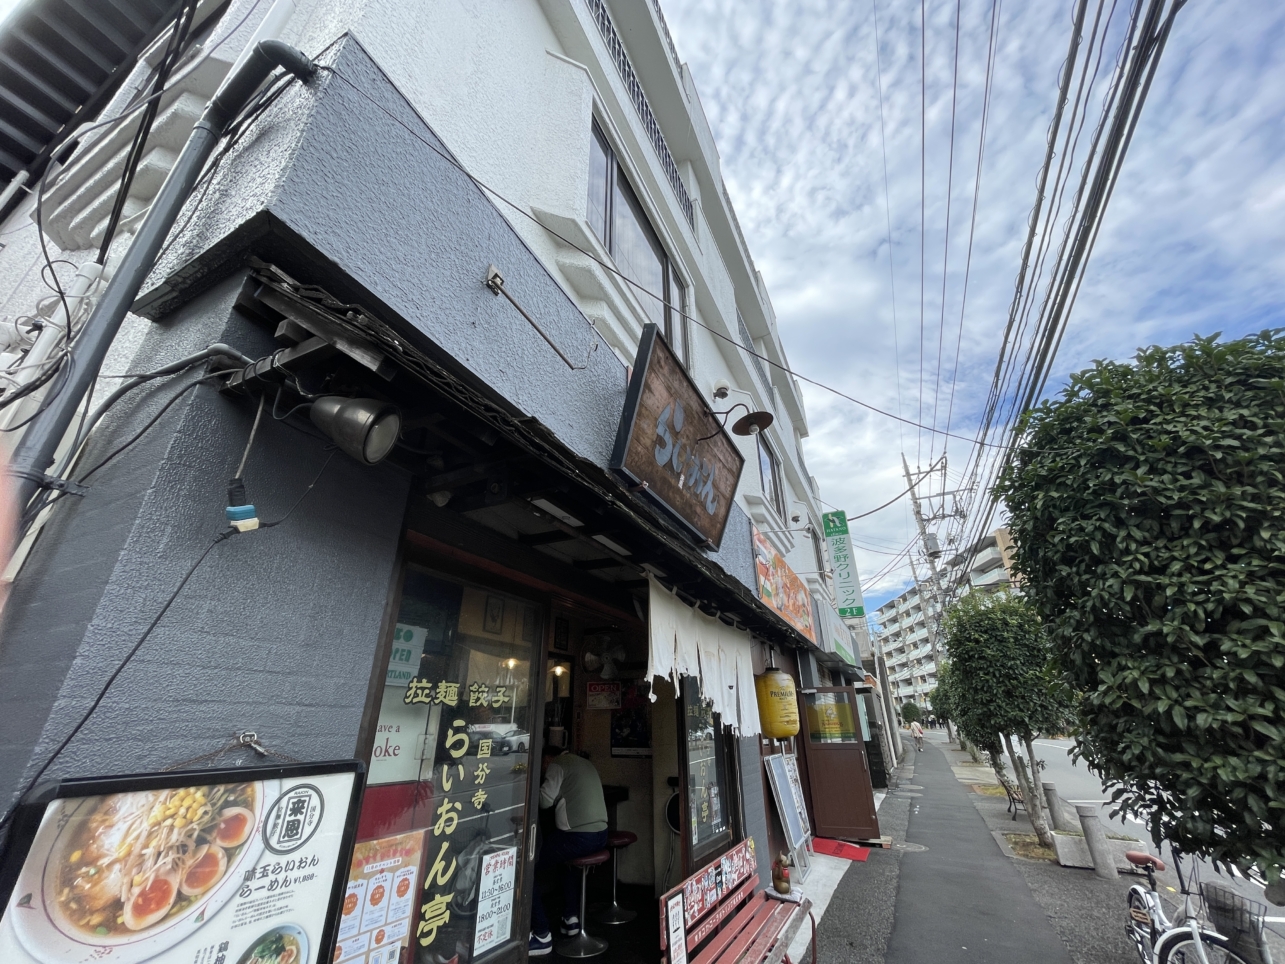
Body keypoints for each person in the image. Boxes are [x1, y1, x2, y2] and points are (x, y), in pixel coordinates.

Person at [529, 742, 608, 957]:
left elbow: (544, 801)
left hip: (578, 836)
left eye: (543, 764)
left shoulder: (558, 764)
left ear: (547, 759)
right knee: (565, 863)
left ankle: (541, 934)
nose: (544, 769)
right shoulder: (584, 763)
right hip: (601, 835)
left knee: (529, 867)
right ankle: (570, 919)